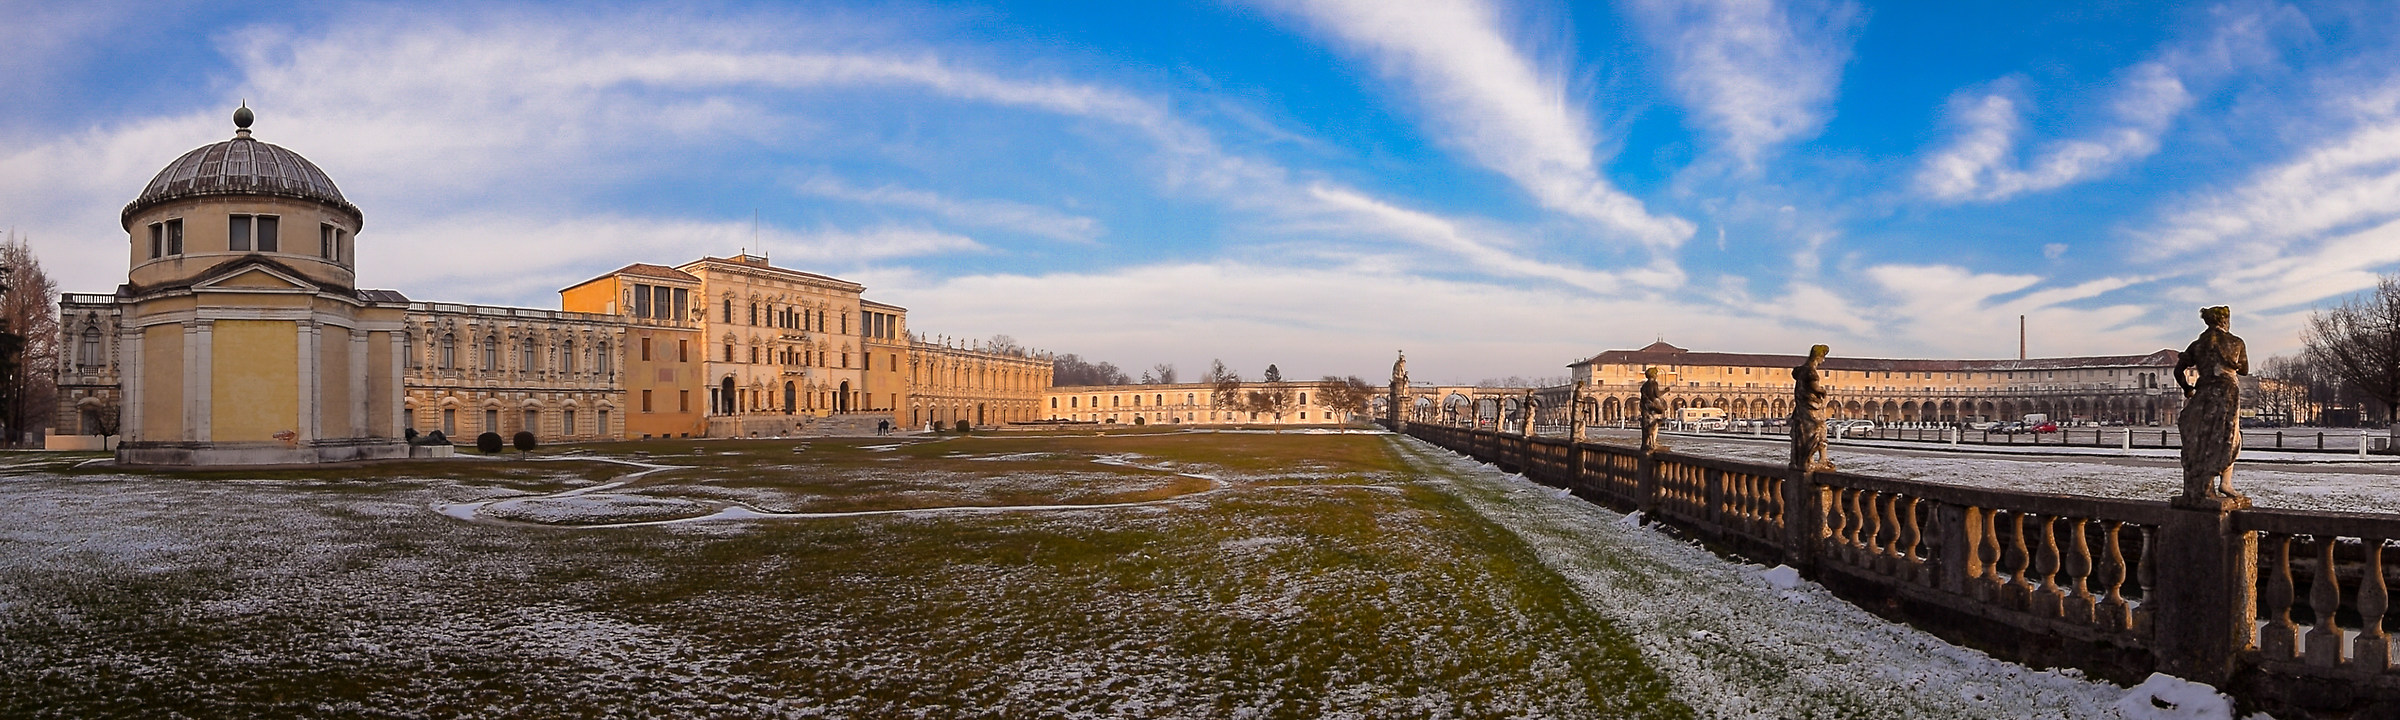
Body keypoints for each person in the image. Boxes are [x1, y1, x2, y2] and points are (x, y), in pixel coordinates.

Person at [2174, 306, 2248, 501]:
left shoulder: (2197, 345)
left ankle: (2202, 485)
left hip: (2203, 393)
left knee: (2200, 438)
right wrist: (2232, 365)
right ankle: (2225, 483)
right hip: (2226, 393)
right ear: (2224, 321)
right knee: (2230, 437)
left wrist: (2188, 389)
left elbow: (2177, 371)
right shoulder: (2236, 342)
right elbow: (2245, 370)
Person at [1789, 345, 1834, 472]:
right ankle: (1815, 460)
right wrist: (1823, 391)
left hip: (1801, 409)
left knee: (1800, 434)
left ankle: (1797, 461)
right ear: (1818, 357)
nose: (1823, 361)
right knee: (1818, 431)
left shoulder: (1800, 371)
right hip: (1810, 410)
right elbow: (1815, 387)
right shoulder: (1811, 372)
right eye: (1823, 358)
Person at [1639, 367, 1669, 453]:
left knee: (1646, 427)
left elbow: (1643, 397)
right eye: (1656, 374)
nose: (1657, 376)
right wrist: (1665, 390)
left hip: (1645, 408)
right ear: (1653, 375)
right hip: (1653, 408)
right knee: (1653, 426)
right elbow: (1657, 394)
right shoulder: (1654, 384)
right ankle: (1653, 444)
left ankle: (1645, 444)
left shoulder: (1644, 386)